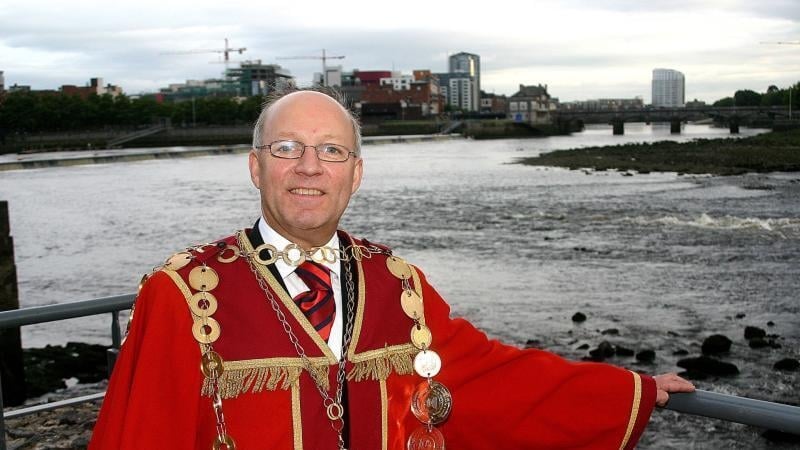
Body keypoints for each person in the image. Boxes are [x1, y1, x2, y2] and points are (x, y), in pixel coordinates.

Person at [90, 88, 694, 450]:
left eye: (331, 151)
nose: (309, 167)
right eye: (287, 148)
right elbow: (141, 435)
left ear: (355, 174)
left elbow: (488, 377)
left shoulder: (396, 283)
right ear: (256, 167)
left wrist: (631, 390)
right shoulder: (185, 294)